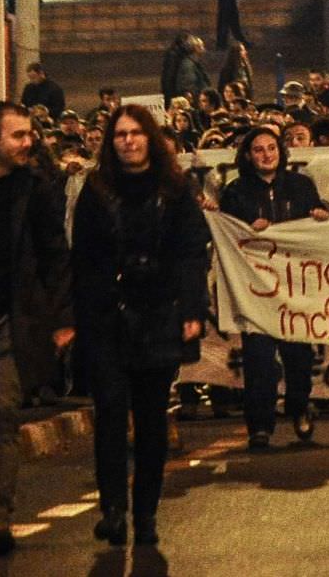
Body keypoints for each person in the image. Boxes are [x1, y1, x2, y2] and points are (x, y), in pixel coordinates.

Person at [72, 104, 210, 547]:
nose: (128, 141)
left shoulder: (174, 190)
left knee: (151, 420)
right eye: (119, 134)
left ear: (150, 138)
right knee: (111, 411)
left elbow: (192, 251)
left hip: (157, 313)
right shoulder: (96, 190)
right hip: (108, 316)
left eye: (135, 133)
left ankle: (146, 511)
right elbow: (84, 256)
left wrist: (191, 308)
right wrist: (83, 313)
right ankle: (113, 509)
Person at [214, 126, 329, 450]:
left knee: (298, 358)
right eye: (258, 150)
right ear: (248, 156)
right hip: (256, 290)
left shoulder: (301, 185)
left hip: (295, 288)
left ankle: (299, 406)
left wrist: (322, 215)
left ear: (280, 152)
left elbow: (317, 220)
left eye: (271, 148)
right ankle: (260, 426)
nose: (266, 155)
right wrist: (247, 231)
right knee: (259, 360)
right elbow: (227, 236)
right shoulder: (236, 192)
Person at [0, 103, 74, 556]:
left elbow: (56, 256)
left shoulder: (36, 189)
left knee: (1, 416)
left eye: (31, 135)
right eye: (18, 136)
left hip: (9, 322)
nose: (29, 143)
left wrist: (62, 318)